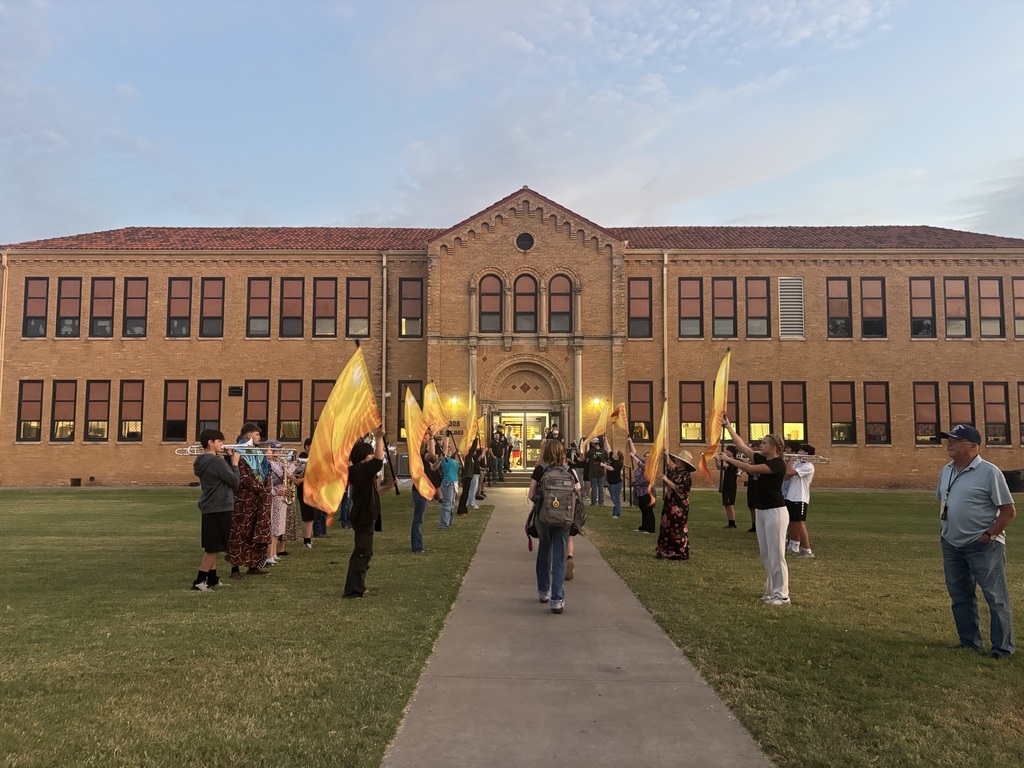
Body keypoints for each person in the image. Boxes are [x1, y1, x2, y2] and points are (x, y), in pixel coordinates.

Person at [935, 423, 1017, 657]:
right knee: (960, 594)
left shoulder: (990, 472)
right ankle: (969, 641)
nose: (948, 443)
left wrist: (989, 535)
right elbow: (945, 502)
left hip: (983, 545)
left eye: (954, 440)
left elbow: (1009, 511)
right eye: (948, 439)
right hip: (951, 543)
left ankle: (1003, 647)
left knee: (996, 596)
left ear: (973, 446)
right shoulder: (947, 470)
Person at [718, 416, 790, 606]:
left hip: (776, 511)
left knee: (777, 553)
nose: (761, 445)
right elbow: (742, 447)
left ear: (774, 447)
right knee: (765, 554)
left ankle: (782, 595)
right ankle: (770, 591)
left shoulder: (777, 464)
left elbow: (750, 469)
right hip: (762, 511)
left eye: (764, 443)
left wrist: (728, 459)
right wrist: (728, 427)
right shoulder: (762, 457)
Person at [528, 438, 580, 614]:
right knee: (559, 556)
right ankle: (557, 599)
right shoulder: (569, 471)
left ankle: (544, 591)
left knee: (544, 551)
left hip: (544, 517)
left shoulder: (540, 469)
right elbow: (577, 492)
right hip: (564, 518)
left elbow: (530, 494)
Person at [191, 429, 240, 591]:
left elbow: (221, 477)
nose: (222, 444)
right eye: (219, 441)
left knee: (215, 545)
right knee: (213, 548)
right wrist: (234, 463)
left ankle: (212, 579)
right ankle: (199, 581)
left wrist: (227, 458)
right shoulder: (215, 461)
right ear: (210, 443)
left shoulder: (204, 460)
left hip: (212, 506)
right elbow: (234, 481)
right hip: (219, 506)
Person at [343, 426, 386, 599]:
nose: (372, 456)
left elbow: (375, 492)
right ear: (363, 457)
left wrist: (389, 485)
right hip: (363, 517)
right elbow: (378, 460)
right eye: (369, 454)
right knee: (361, 551)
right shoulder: (360, 470)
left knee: (366, 552)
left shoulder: (362, 472)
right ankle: (352, 590)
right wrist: (379, 438)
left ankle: (359, 585)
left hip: (366, 517)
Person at [226, 423, 273, 578]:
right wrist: (261, 488)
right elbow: (243, 477)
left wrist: (265, 485)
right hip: (244, 500)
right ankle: (235, 569)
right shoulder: (237, 453)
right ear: (248, 436)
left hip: (259, 500)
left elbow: (265, 472)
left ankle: (253, 565)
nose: (259, 437)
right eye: (257, 434)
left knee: (255, 531)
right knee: (240, 533)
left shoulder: (258, 453)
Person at [656, 450, 695, 560]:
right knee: (666, 524)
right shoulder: (674, 471)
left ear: (684, 463)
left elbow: (680, 488)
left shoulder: (686, 476)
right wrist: (664, 456)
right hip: (669, 502)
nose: (677, 461)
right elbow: (667, 467)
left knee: (677, 527)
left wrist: (667, 481)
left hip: (679, 506)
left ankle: (679, 552)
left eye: (680, 460)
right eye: (677, 459)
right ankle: (665, 550)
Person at [785, 444, 816, 558]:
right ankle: (794, 546)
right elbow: (786, 477)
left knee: (800, 523)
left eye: (800, 451)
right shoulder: (798, 463)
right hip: (791, 496)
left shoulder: (809, 466)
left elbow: (790, 473)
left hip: (801, 497)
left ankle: (808, 551)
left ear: (806, 453)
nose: (798, 453)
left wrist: (791, 461)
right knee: (792, 522)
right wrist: (789, 462)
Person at [411, 429, 438, 553]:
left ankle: (418, 545)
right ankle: (417, 547)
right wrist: (432, 437)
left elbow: (432, 468)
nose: (428, 446)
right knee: (418, 519)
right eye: (426, 444)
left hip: (422, 490)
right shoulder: (419, 457)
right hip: (419, 490)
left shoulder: (423, 460)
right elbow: (432, 453)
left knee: (419, 519)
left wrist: (440, 460)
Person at [627, 437, 656, 533]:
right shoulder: (643, 462)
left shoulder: (650, 467)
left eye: (648, 456)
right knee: (643, 509)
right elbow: (635, 454)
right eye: (645, 456)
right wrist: (631, 442)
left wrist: (633, 457)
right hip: (639, 491)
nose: (646, 457)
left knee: (648, 510)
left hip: (646, 491)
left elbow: (639, 464)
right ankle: (644, 526)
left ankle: (650, 528)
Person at [714, 444, 740, 528]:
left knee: (729, 504)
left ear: (730, 452)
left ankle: (732, 523)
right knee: (726, 504)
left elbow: (724, 465)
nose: (725, 452)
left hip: (731, 485)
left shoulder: (733, 461)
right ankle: (730, 522)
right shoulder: (727, 461)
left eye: (727, 451)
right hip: (726, 483)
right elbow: (719, 467)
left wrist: (720, 457)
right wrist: (716, 459)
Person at [438, 434, 460, 529]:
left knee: (452, 504)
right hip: (448, 483)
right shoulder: (444, 459)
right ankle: (443, 524)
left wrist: (460, 456)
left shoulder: (453, 461)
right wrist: (447, 436)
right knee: (447, 504)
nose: (449, 451)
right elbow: (445, 447)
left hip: (454, 483)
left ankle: (449, 522)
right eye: (448, 450)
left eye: (450, 450)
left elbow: (461, 465)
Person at [601, 438, 625, 520]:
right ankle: (615, 512)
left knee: (616, 498)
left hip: (616, 483)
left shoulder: (618, 463)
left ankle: (617, 513)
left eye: (615, 453)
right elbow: (608, 449)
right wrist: (606, 440)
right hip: (611, 483)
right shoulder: (612, 458)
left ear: (617, 456)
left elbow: (611, 468)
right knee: (613, 498)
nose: (613, 453)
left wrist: (604, 465)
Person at [457, 437, 478, 515]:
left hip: (469, 476)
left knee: (466, 493)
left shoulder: (471, 458)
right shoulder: (468, 457)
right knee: (465, 493)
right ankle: (461, 509)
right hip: (466, 476)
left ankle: (463, 508)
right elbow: (472, 448)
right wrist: (476, 439)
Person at [586, 437, 607, 506]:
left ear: (593, 443)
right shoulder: (603, 451)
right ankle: (601, 503)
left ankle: (594, 502)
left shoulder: (590, 451)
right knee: (601, 487)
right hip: (601, 472)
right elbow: (606, 460)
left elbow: (586, 459)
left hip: (593, 471)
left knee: (594, 487)